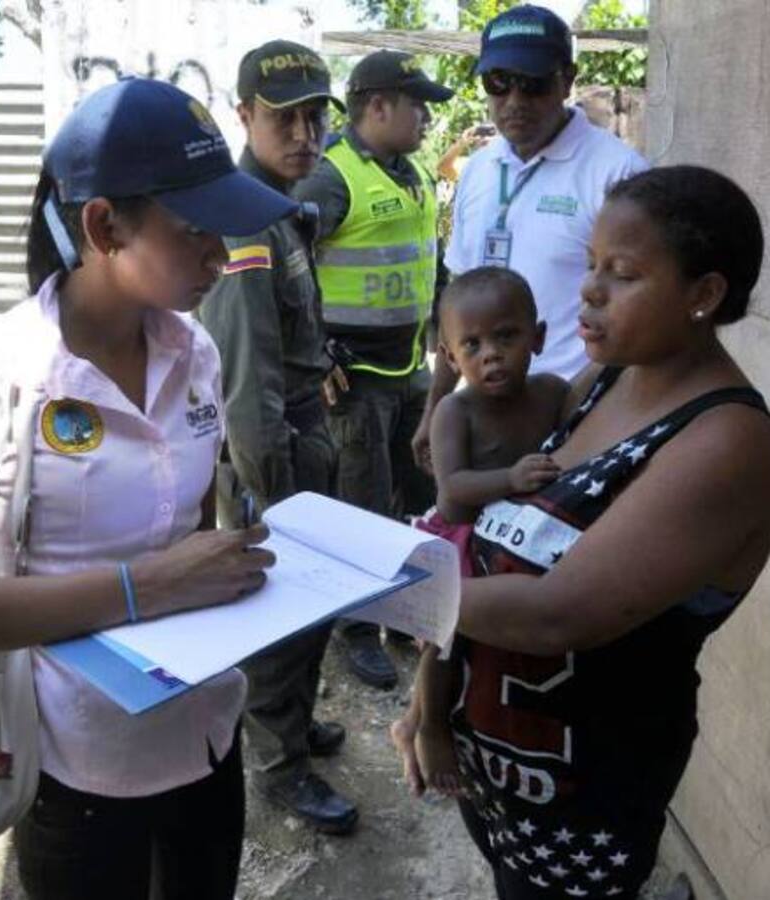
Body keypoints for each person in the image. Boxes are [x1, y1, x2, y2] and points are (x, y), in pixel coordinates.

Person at [0, 77, 292, 899]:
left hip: (207, 729)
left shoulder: (194, 351)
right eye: (197, 232)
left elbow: (190, 536)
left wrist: (230, 571)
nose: (222, 257)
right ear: (104, 225)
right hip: (80, 760)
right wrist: (148, 587)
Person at [393, 166, 770, 899]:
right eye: (591, 265)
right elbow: (495, 538)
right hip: (496, 763)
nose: (590, 291)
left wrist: (383, 589)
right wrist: (429, 706)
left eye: (624, 273)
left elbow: (557, 615)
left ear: (704, 295)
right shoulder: (603, 383)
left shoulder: (725, 441)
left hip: (582, 797)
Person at [195, 40, 357, 836]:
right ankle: (277, 764)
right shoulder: (241, 224)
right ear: (244, 116)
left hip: (306, 434)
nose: (303, 134)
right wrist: (272, 502)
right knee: (279, 618)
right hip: (274, 453)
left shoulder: (274, 205)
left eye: (314, 116)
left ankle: (296, 727)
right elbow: (246, 379)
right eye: (281, 118)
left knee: (311, 609)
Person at [413, 4, 648, 469]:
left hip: (581, 424)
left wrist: (596, 423)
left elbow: (641, 316)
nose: (514, 99)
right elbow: (457, 304)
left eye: (533, 81)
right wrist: (436, 404)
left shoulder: (618, 174)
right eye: (498, 81)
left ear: (567, 80)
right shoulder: (479, 169)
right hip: (489, 426)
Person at [293, 50, 454, 691]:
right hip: (354, 380)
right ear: (378, 106)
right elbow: (288, 269)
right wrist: (317, 354)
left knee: (415, 497)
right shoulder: (330, 179)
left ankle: (405, 616)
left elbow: (426, 265)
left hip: (410, 368)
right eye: (416, 105)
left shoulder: (410, 173)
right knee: (358, 507)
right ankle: (355, 630)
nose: (424, 119)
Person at [412, 265, 569, 794]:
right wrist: (511, 477)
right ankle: (429, 725)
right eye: (472, 344)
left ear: (539, 337)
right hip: (463, 537)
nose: (491, 354)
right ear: (451, 356)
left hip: (525, 539)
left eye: (507, 336)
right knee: (445, 639)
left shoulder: (552, 393)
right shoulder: (455, 412)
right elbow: (453, 487)